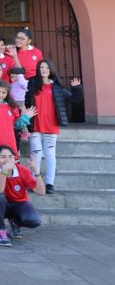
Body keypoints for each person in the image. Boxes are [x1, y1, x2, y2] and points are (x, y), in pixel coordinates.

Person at [25, 59, 83, 194]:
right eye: (41, 67)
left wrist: (77, 88)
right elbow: (27, 101)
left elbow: (75, 100)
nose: (44, 70)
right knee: (36, 153)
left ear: (51, 70)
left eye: (46, 67)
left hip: (51, 125)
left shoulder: (57, 87)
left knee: (50, 155)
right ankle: (33, 182)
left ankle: (49, 184)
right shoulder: (32, 84)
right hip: (34, 124)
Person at [0, 144, 45, 247]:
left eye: (10, 156)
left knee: (34, 221)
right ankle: (0, 231)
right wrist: (4, 171)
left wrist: (36, 171)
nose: (7, 160)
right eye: (3, 157)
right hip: (1, 205)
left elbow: (41, 192)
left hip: (19, 203)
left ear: (15, 157)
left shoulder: (22, 170)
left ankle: (15, 223)